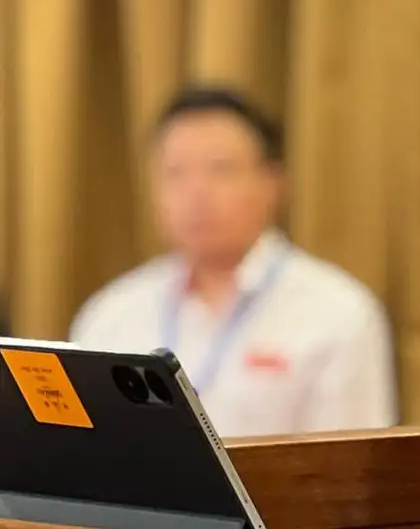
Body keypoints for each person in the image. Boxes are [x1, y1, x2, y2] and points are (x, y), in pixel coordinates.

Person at [70, 85, 398, 438]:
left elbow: (355, 461)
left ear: (272, 184)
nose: (197, 191)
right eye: (176, 172)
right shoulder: (113, 313)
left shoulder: (337, 314)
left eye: (220, 169)